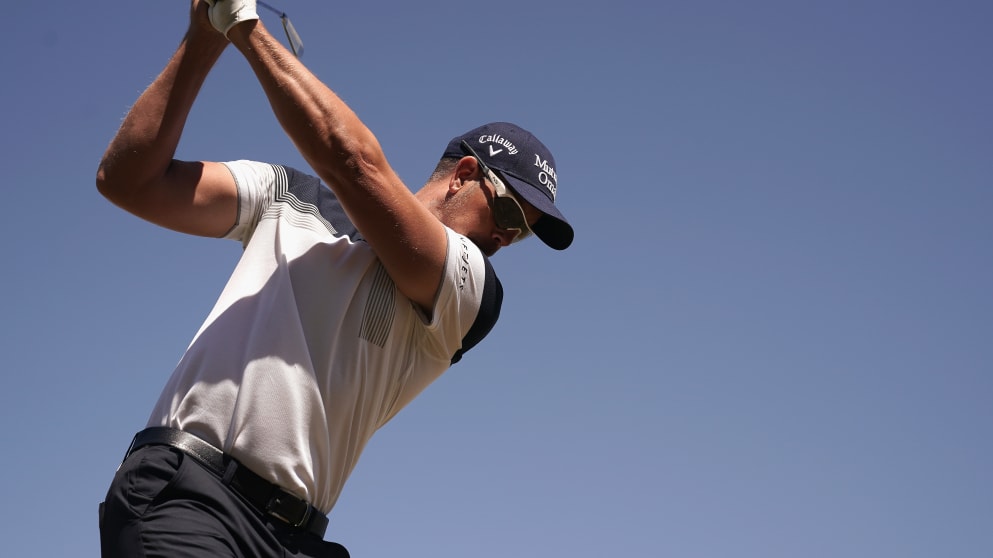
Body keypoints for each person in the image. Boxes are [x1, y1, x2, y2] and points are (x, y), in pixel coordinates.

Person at [96, 1, 573, 557]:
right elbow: (129, 180)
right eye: (510, 217)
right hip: (191, 498)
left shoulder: (471, 294)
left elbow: (352, 161)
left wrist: (243, 27)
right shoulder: (285, 196)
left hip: (299, 540)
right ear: (464, 175)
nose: (505, 241)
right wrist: (204, 39)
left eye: (522, 237)